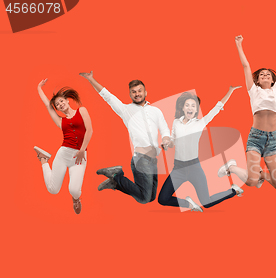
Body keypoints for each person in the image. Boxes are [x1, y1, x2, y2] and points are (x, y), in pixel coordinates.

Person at [79, 71, 171, 204]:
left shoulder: (156, 111)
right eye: (134, 92)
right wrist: (91, 79)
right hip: (141, 158)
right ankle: (116, 176)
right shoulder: (126, 110)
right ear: (130, 95)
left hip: (153, 160)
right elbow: (108, 96)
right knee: (144, 199)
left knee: (150, 197)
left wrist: (166, 139)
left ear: (145, 93)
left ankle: (116, 183)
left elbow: (164, 129)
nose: (137, 93)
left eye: (140, 91)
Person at [218, 35, 276, 190]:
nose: (265, 75)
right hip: (256, 138)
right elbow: (246, 66)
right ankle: (231, 168)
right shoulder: (253, 90)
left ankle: (261, 175)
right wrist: (239, 45)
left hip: (272, 140)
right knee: (251, 181)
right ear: (257, 80)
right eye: (262, 74)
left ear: (272, 80)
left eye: (268, 74)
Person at [158, 87, 244, 211]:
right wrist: (166, 144)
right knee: (162, 199)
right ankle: (189, 204)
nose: (190, 108)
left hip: (194, 168)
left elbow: (218, 107)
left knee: (207, 202)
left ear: (196, 109)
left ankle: (233, 190)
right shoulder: (176, 122)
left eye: (193, 105)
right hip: (178, 169)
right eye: (187, 105)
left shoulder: (200, 123)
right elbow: (173, 142)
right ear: (183, 108)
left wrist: (230, 90)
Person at [34, 78, 93, 214]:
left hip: (80, 156)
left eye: (61, 101)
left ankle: (76, 199)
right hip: (63, 154)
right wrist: (39, 88)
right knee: (53, 190)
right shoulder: (61, 121)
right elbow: (47, 105)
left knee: (74, 190)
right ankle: (44, 160)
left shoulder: (82, 111)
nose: (60, 104)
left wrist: (82, 150)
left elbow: (89, 130)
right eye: (57, 104)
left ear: (67, 100)